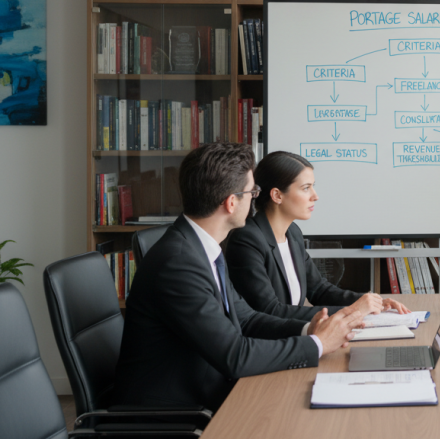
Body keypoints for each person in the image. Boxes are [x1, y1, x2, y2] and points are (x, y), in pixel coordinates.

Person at [114, 142, 363, 411]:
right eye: (252, 192)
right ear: (232, 202)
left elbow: (247, 318)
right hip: (176, 412)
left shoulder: (202, 247)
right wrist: (316, 344)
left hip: (211, 390)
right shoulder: (179, 264)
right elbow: (235, 355)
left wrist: (308, 329)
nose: (255, 198)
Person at [225, 151, 409, 320]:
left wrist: (371, 301)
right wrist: (355, 310)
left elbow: (319, 290)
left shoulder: (293, 233)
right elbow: (270, 311)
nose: (315, 196)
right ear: (277, 195)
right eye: (306, 188)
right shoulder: (247, 240)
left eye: (313, 186)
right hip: (269, 346)